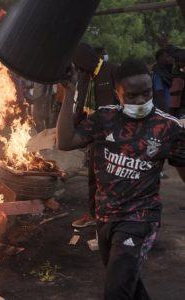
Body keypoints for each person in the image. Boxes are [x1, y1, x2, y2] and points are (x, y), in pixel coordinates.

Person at [57, 58, 185, 299]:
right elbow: (64, 142)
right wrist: (70, 91)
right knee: (126, 283)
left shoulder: (168, 127)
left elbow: (182, 165)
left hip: (140, 218)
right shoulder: (104, 118)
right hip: (105, 216)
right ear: (117, 93)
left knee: (117, 289)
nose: (141, 101)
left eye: (146, 93)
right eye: (132, 95)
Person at [71, 44, 118, 228]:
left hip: (115, 137)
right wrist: (75, 129)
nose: (80, 69)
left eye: (81, 65)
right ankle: (93, 214)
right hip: (95, 136)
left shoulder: (112, 71)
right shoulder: (84, 76)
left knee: (112, 179)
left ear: (89, 59)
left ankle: (114, 218)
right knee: (93, 176)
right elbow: (81, 103)